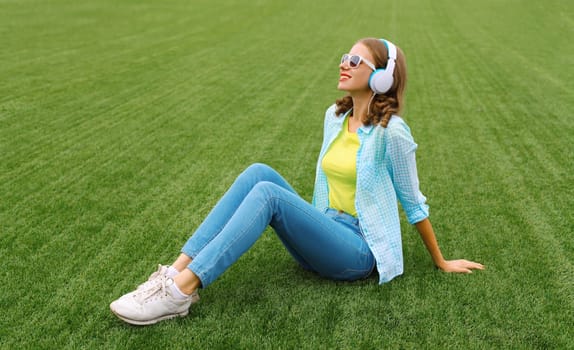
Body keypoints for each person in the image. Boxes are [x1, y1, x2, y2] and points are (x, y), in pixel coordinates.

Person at [109, 37, 484, 326]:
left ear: (381, 76)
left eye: (354, 61)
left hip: (357, 250)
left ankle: (182, 291)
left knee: (269, 195)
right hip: (326, 229)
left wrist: (441, 261)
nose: (343, 64)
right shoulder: (334, 118)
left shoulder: (392, 132)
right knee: (259, 172)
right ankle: (173, 273)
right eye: (343, 57)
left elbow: (412, 200)